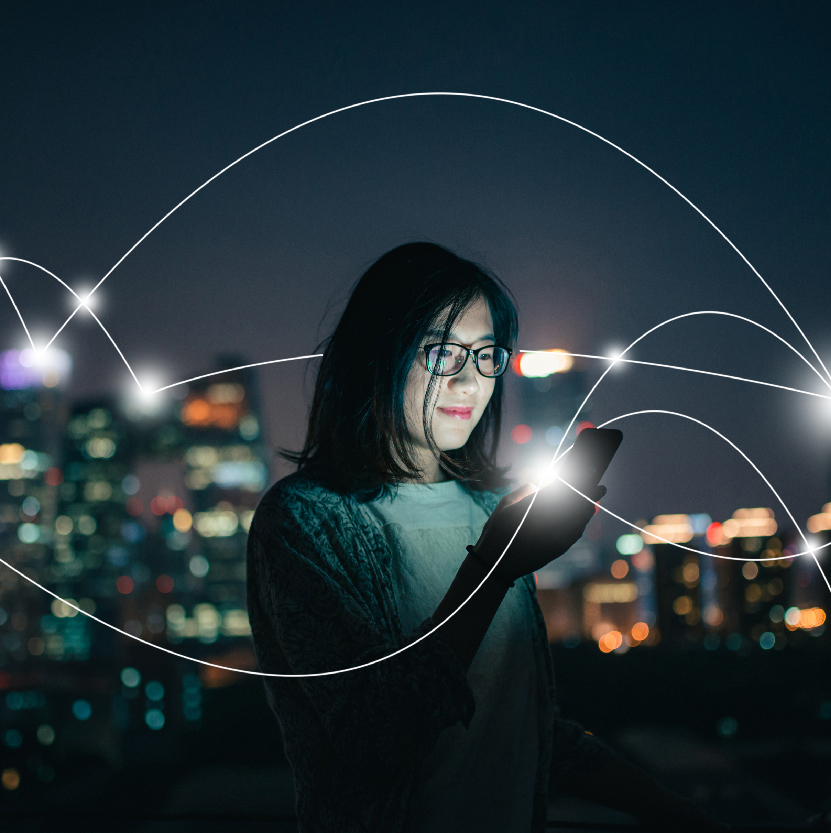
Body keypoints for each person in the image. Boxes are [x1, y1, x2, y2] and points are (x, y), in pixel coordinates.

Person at [245, 242, 728, 833]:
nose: (470, 381)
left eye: (485, 355)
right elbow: (373, 738)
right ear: (377, 355)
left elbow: (522, 723)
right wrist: (494, 568)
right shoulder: (304, 522)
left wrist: (677, 812)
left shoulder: (489, 509)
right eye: (443, 353)